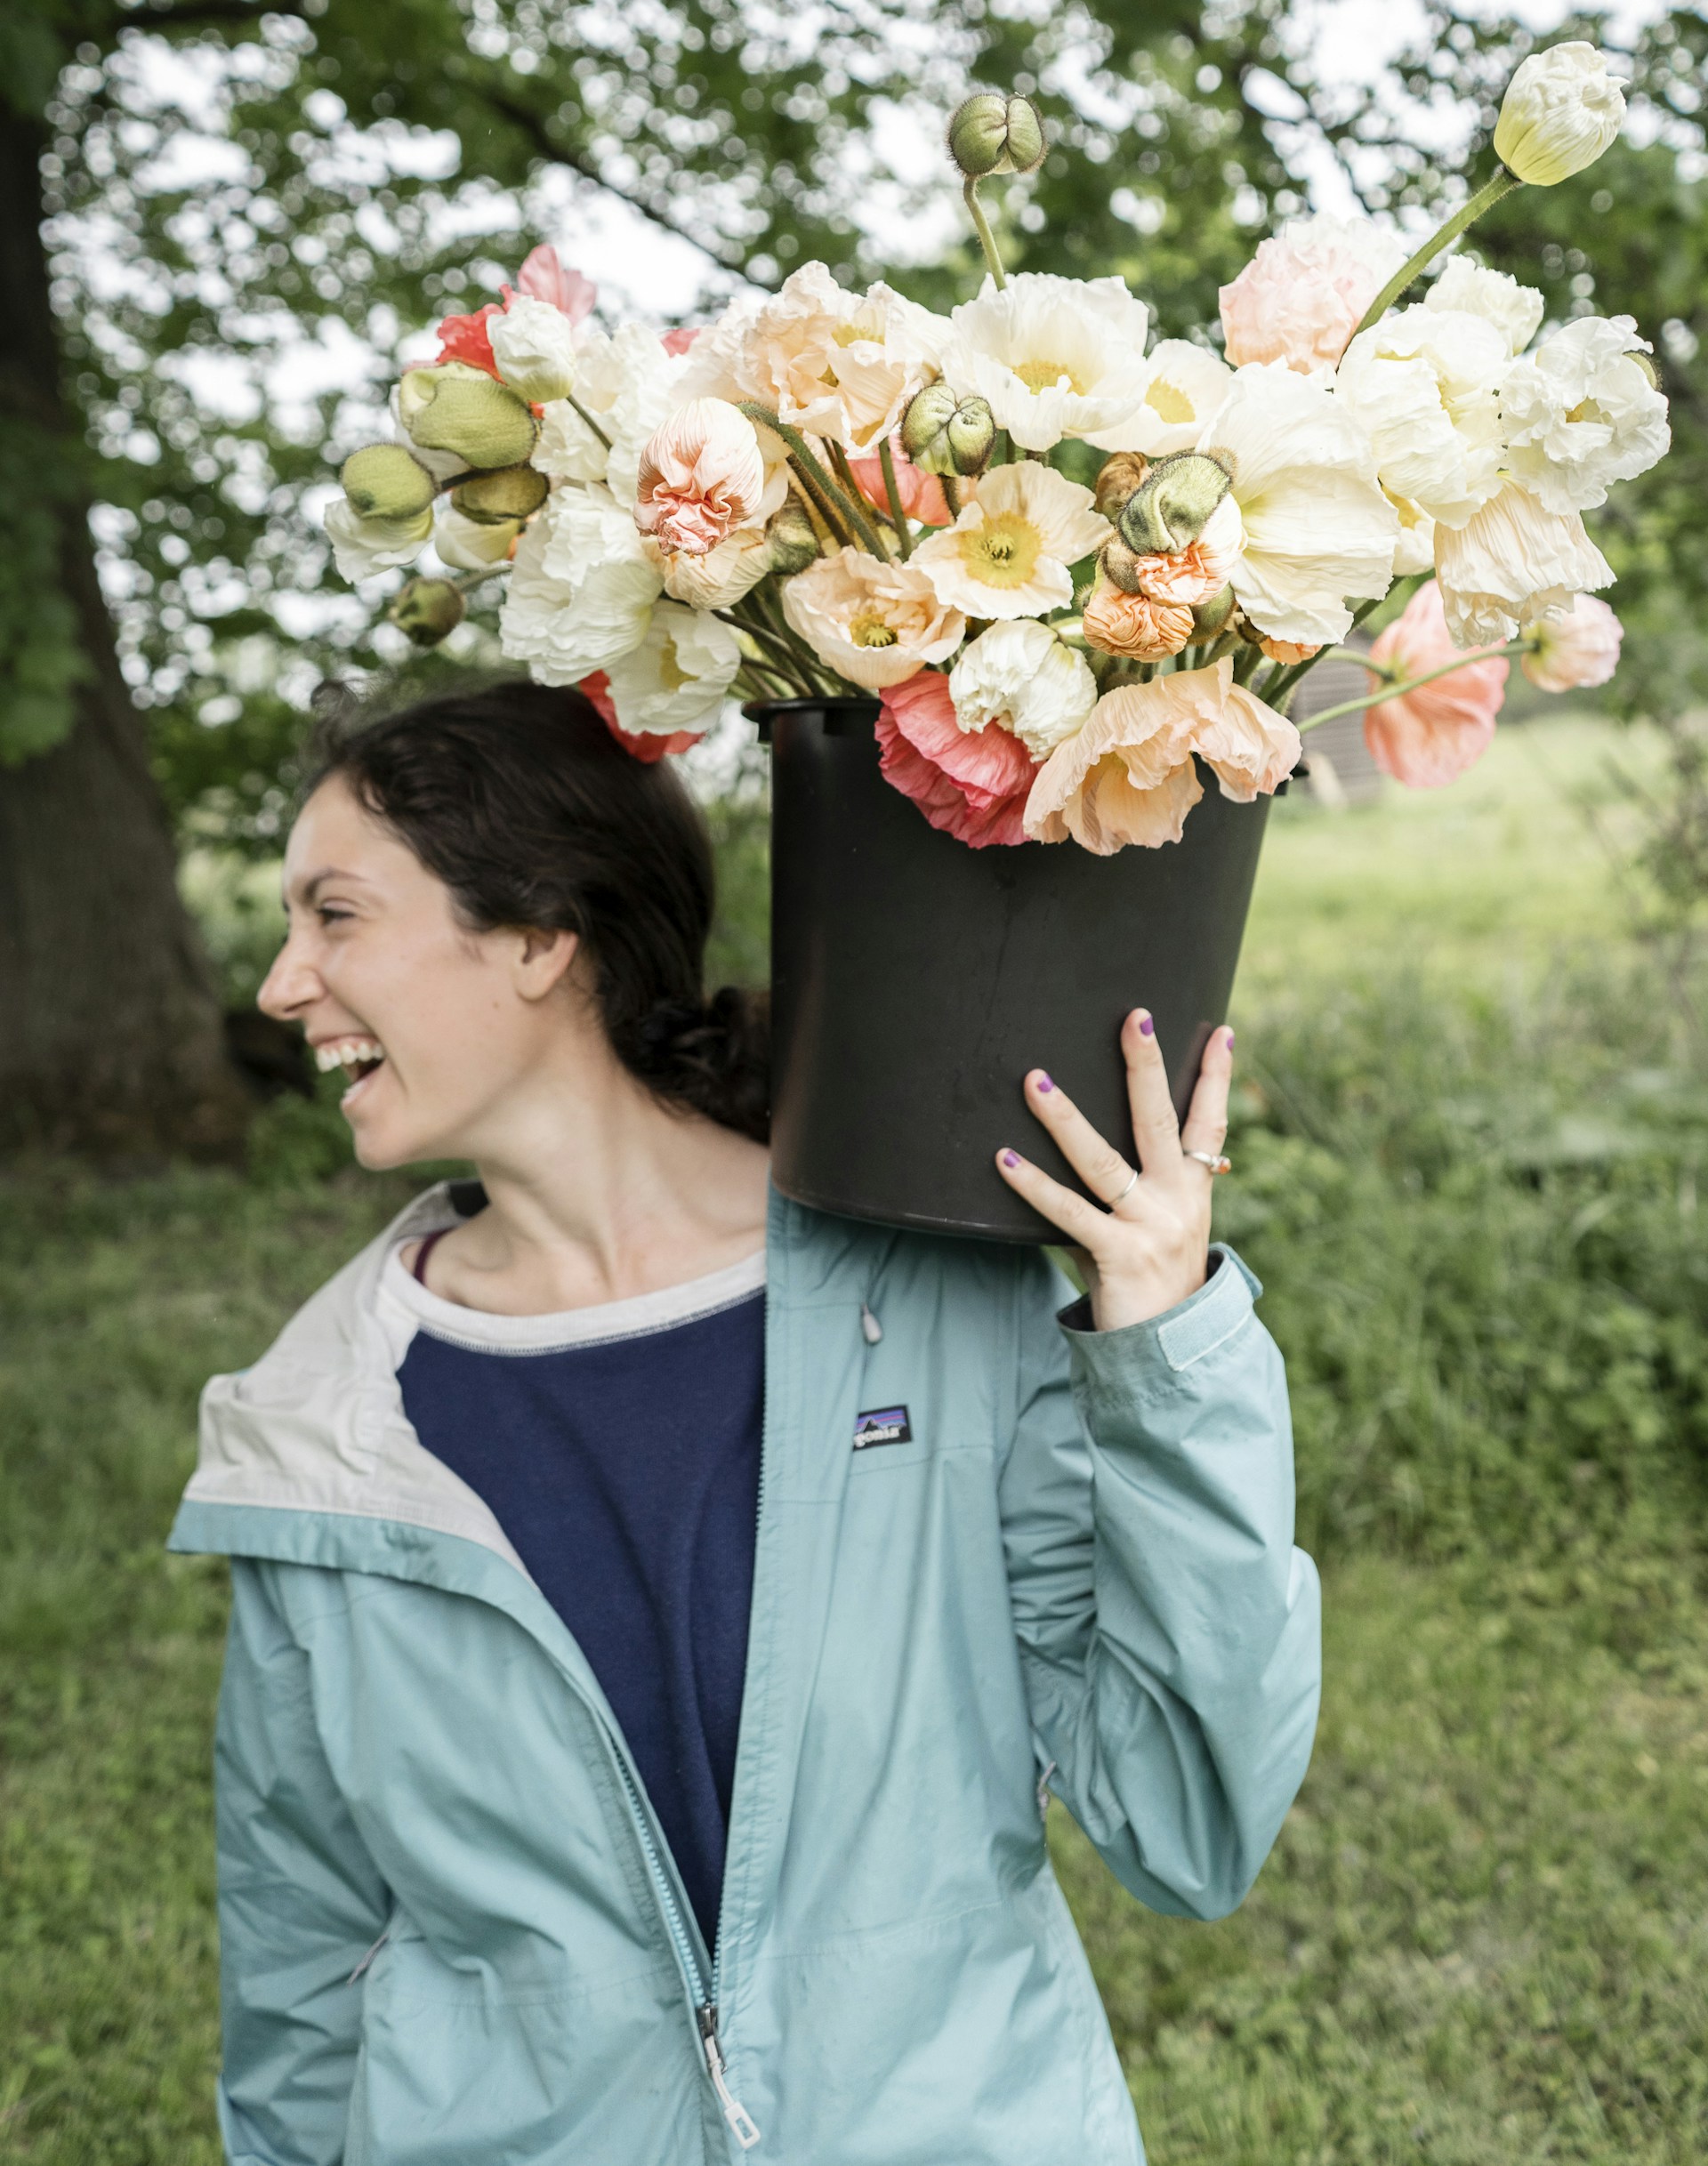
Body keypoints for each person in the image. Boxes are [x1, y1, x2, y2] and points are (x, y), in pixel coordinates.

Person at [170, 677, 1320, 2166]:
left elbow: (1188, 1818)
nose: (279, 984)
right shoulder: (315, 1443)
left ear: (535, 933)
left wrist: (1165, 1341)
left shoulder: (927, 1307)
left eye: (333, 915)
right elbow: (301, 1963)